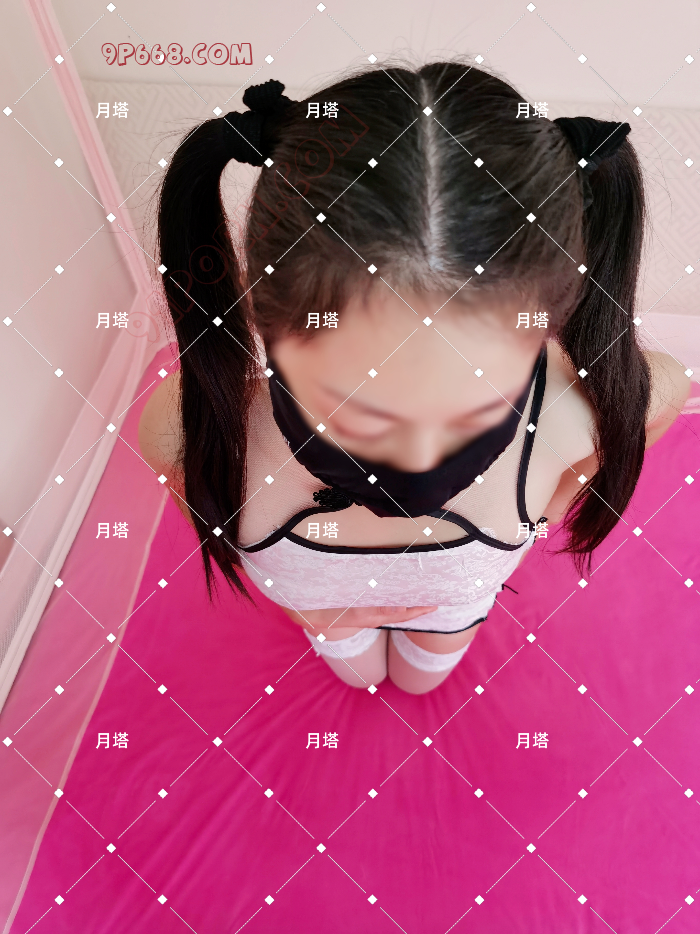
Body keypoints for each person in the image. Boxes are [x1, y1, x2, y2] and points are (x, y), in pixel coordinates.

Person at [139, 61, 690, 695]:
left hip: (452, 615)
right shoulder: (193, 423)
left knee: (423, 680)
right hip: (323, 617)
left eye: (475, 409)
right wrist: (316, 615)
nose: (422, 461)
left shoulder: (578, 412)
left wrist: (548, 509)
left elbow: (651, 401)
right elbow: (198, 496)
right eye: (364, 412)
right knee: (357, 674)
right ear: (267, 317)